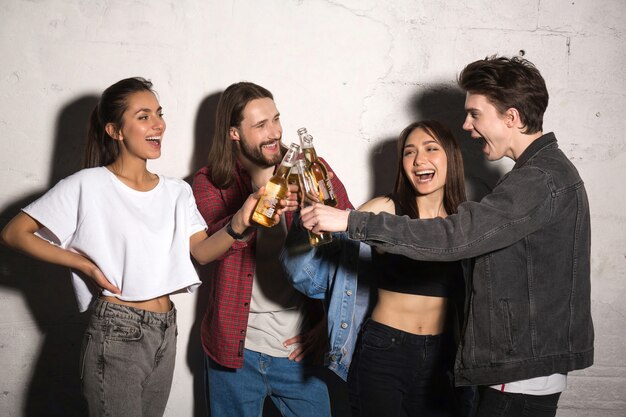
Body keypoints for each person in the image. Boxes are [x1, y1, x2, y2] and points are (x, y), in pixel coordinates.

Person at [300, 56, 594, 416]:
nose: (467, 125)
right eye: (410, 151)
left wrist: (351, 221)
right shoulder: (538, 176)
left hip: (518, 370)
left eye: (475, 114)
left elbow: (453, 237)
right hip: (499, 365)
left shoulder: (537, 181)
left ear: (511, 117)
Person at [0, 77, 269, 417]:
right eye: (143, 116)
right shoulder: (89, 185)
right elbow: (14, 233)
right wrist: (82, 264)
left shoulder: (176, 192)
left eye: (158, 113)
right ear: (115, 130)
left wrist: (239, 223)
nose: (158, 124)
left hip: (165, 329)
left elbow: (201, 252)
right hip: (116, 330)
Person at [282, 120, 473, 416]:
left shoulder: (464, 220)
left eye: (431, 149)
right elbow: (311, 272)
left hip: (442, 357)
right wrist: (308, 216)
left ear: (451, 156)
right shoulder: (384, 209)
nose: (419, 159)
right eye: (409, 152)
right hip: (385, 352)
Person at [191, 81, 353, 417]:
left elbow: (349, 250)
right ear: (233, 133)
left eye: (276, 119)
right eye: (261, 125)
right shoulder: (211, 182)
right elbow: (206, 252)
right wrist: (243, 220)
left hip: (298, 353)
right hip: (234, 351)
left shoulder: (312, 169)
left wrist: (328, 326)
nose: (275, 132)